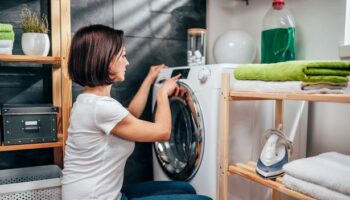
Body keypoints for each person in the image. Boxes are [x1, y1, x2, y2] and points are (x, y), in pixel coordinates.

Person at [61, 24, 212, 200]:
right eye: (123, 56)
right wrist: (163, 94)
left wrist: (149, 80)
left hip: (98, 195)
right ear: (105, 59)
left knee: (185, 189)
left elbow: (130, 115)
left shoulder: (88, 100)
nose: (127, 62)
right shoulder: (101, 107)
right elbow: (162, 132)